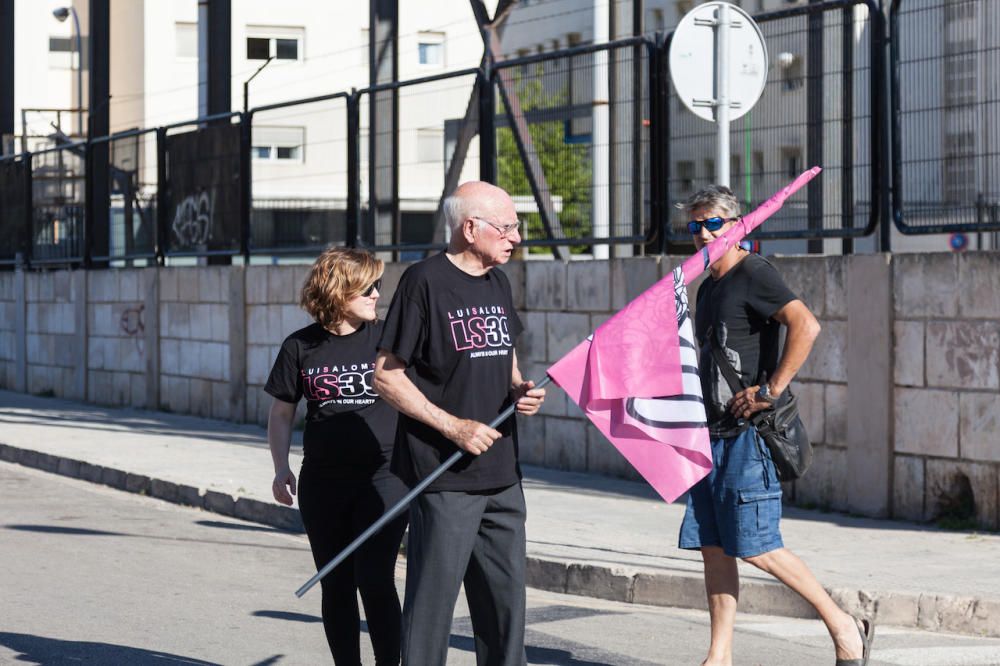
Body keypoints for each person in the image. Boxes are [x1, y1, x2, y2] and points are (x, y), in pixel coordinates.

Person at [676, 185, 874, 666]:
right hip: (711, 436)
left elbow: (806, 324)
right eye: (695, 225)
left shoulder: (754, 272)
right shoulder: (707, 286)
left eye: (713, 223)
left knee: (756, 546)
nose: (703, 233)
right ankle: (718, 656)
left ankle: (842, 621)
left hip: (748, 436)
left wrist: (770, 390)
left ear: (736, 224)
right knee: (713, 547)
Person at [373, 181, 546, 666]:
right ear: (470, 228)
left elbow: (504, 349)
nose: (515, 237)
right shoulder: (423, 281)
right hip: (442, 474)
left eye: (517, 227)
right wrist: (452, 427)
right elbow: (386, 377)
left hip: (503, 476)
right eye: (507, 226)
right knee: (431, 616)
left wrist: (518, 388)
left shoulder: (499, 281)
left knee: (505, 615)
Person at [265, 247, 408, 665]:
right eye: (368, 287)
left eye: (378, 286)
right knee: (336, 582)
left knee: (375, 577)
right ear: (338, 289)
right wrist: (280, 468)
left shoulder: (388, 339)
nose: (377, 295)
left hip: (385, 477)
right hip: (323, 482)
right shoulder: (300, 346)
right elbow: (281, 412)